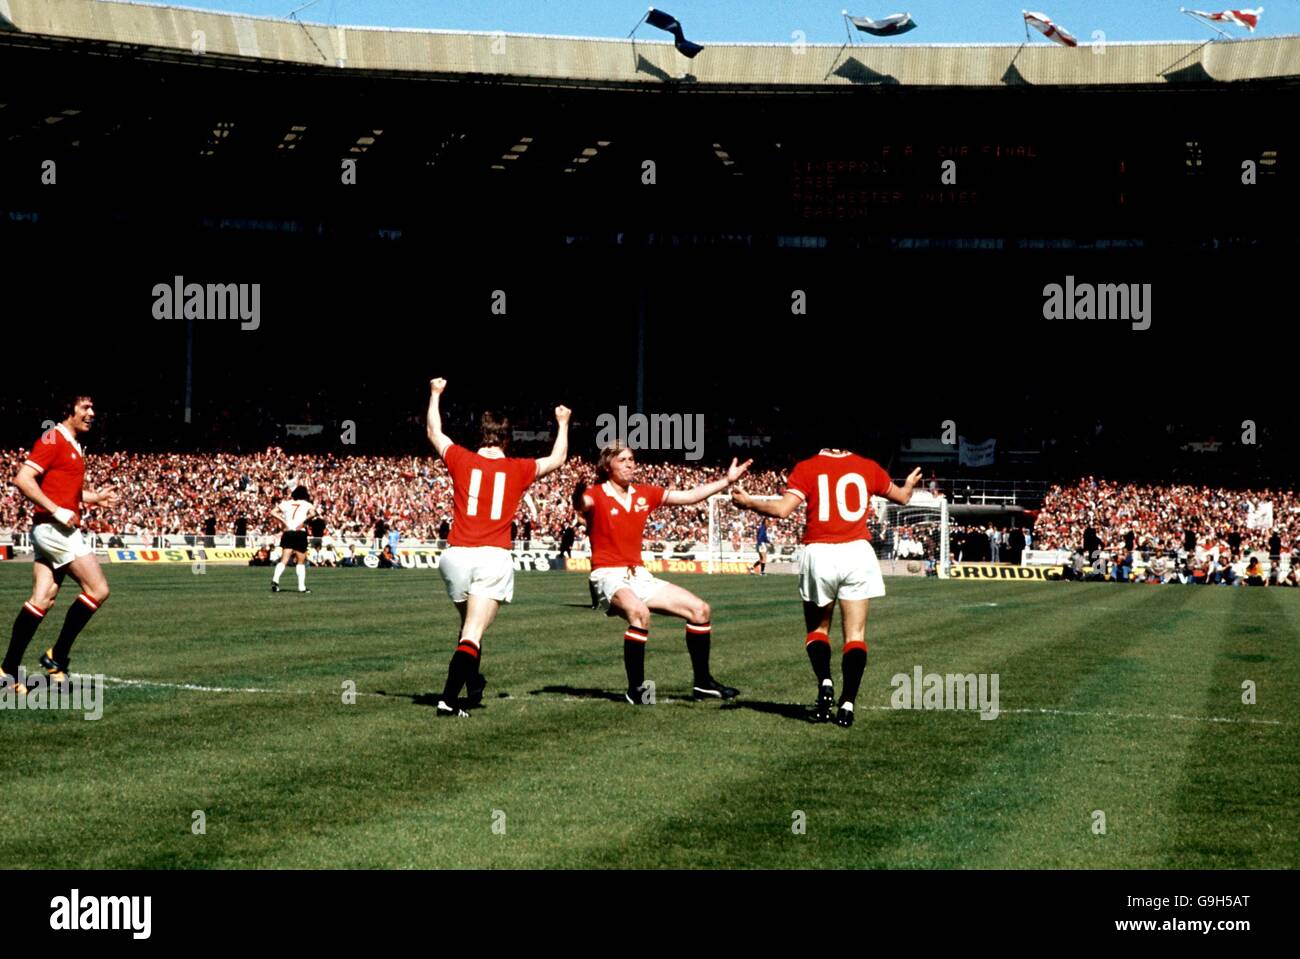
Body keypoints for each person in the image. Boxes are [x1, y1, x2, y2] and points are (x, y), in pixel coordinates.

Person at [733, 445, 921, 728]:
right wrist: (908, 484)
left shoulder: (807, 467)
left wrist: (750, 503)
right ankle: (847, 704)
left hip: (820, 552)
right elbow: (904, 497)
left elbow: (783, 510)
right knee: (855, 634)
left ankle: (825, 682)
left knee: (818, 629)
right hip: (857, 552)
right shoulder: (868, 466)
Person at [426, 378, 570, 718]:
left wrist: (434, 394)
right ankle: (448, 700)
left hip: (455, 556)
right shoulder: (518, 469)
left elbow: (434, 431)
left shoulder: (460, 458)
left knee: (467, 628)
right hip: (492, 555)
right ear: (508, 438)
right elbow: (558, 458)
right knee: (473, 632)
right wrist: (563, 423)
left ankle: (473, 685)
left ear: (481, 435)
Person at [574, 444, 750, 705]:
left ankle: (702, 684)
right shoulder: (596, 494)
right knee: (639, 614)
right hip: (607, 575)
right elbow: (582, 503)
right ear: (607, 465)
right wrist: (576, 495)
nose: (630, 464)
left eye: (632, 459)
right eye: (622, 459)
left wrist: (726, 480)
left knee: (700, 610)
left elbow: (690, 495)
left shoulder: (645, 493)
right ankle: (637, 690)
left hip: (638, 575)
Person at [2, 394, 118, 694]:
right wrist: (55, 510)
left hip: (47, 530)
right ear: (69, 411)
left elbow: (67, 491)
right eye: (85, 407)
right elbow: (22, 479)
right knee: (98, 589)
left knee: (42, 599)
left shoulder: (74, 445)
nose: (92, 412)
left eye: (93, 407)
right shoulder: (53, 438)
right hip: (55, 529)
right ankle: (56, 657)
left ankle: (7, 669)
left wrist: (95, 498)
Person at [270, 485, 314, 594]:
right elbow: (313, 514)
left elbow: (273, 512)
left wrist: (284, 522)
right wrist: (303, 523)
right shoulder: (306, 504)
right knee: (300, 561)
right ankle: (301, 587)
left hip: (288, 531)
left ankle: (275, 580)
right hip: (300, 532)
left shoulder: (286, 503)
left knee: (284, 559)